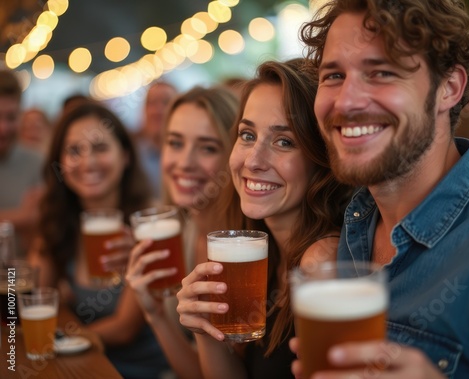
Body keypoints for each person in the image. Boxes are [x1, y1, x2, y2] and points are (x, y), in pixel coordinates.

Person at [291, 0, 469, 378]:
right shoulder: (345, 226)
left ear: (448, 88)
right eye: (333, 76)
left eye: (382, 72)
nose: (347, 101)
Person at [175, 59, 352, 379]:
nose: (253, 161)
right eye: (247, 135)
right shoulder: (253, 247)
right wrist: (207, 332)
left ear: (321, 158)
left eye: (284, 141)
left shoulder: (323, 262)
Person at [27, 101, 170, 379]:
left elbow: (124, 329)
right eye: (74, 150)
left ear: (126, 155)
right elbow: (35, 296)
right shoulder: (59, 219)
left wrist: (57, 339)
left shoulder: (150, 224)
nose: (87, 161)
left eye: (100, 147)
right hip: (82, 366)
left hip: (144, 372)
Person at [125, 86, 241, 378]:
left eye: (208, 148)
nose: (185, 163)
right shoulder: (186, 231)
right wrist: (155, 314)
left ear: (235, 156)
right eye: (175, 143)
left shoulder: (244, 251)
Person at [0, 69, 43, 257]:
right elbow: (30, 218)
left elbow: (42, 227)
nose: (3, 129)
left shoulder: (37, 162)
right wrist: (21, 217)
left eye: (10, 117)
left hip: (17, 277)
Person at [135, 80, 178, 200]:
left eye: (166, 102)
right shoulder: (135, 153)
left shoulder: (186, 154)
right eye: (152, 103)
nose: (158, 110)